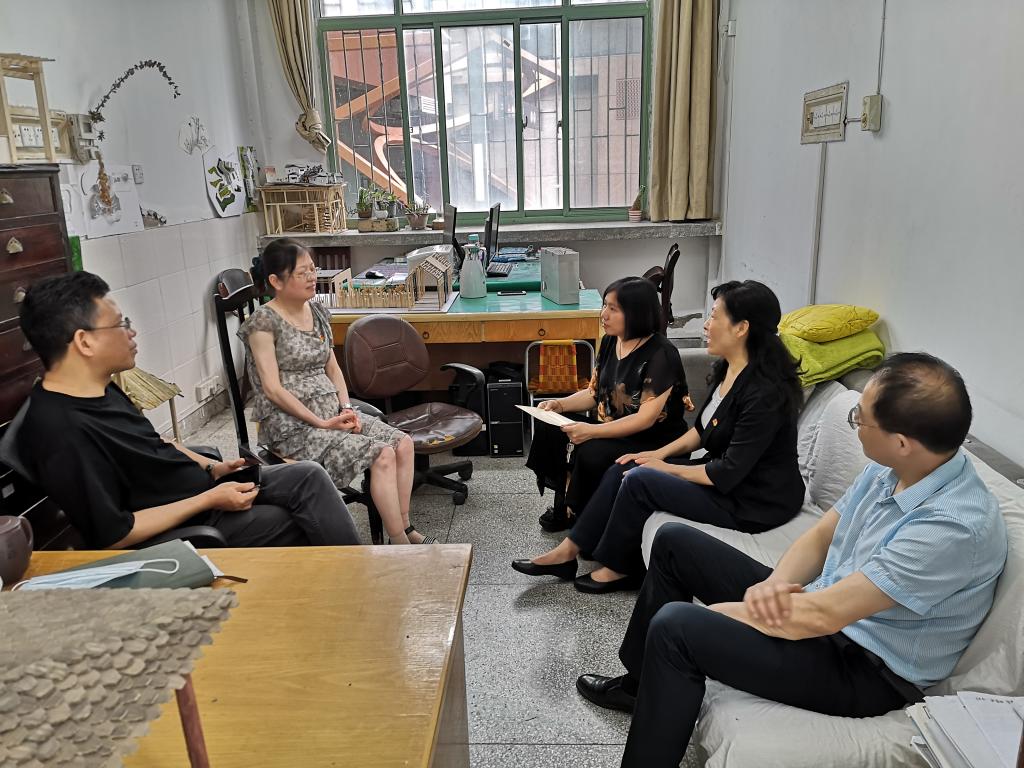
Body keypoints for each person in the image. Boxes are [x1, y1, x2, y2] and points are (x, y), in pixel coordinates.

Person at [575, 353, 1008, 768]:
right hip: (825, 609)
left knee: (675, 627)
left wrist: (731, 613)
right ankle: (640, 687)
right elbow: (821, 536)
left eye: (861, 419)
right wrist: (773, 585)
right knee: (674, 543)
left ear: (901, 442)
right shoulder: (896, 466)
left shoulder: (951, 528)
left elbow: (823, 616)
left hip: (865, 668)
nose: (856, 425)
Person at [16, 271, 361, 550]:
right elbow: (115, 533)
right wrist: (208, 500)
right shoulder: (61, 429)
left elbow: (157, 443)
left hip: (203, 490)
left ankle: (359, 574)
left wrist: (212, 468)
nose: (132, 332)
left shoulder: (99, 386)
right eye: (121, 324)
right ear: (84, 341)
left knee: (309, 475)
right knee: (299, 520)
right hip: (188, 524)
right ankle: (350, 586)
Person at [514, 280, 805, 593]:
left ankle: (619, 568)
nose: (706, 325)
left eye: (714, 316)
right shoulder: (730, 369)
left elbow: (728, 471)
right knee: (625, 466)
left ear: (741, 328)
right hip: (727, 479)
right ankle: (568, 551)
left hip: (753, 501)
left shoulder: (763, 394)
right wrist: (657, 455)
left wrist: (663, 466)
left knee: (638, 479)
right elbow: (701, 431)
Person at [240, 238, 430, 545]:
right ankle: (399, 541)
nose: (312, 277)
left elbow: (332, 367)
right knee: (382, 454)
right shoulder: (263, 322)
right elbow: (272, 390)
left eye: (312, 269)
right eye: (302, 272)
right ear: (276, 281)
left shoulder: (316, 311)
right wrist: (321, 422)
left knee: (403, 444)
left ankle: (404, 526)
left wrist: (346, 407)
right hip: (293, 427)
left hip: (332, 414)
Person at [523, 277, 692, 533]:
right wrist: (559, 404)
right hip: (614, 427)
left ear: (636, 313)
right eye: (605, 306)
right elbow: (594, 393)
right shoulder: (612, 340)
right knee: (551, 426)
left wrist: (592, 431)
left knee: (591, 451)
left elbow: (644, 419)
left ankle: (585, 520)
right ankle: (566, 504)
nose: (604, 314)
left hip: (651, 439)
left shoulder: (662, 354)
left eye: (613, 309)